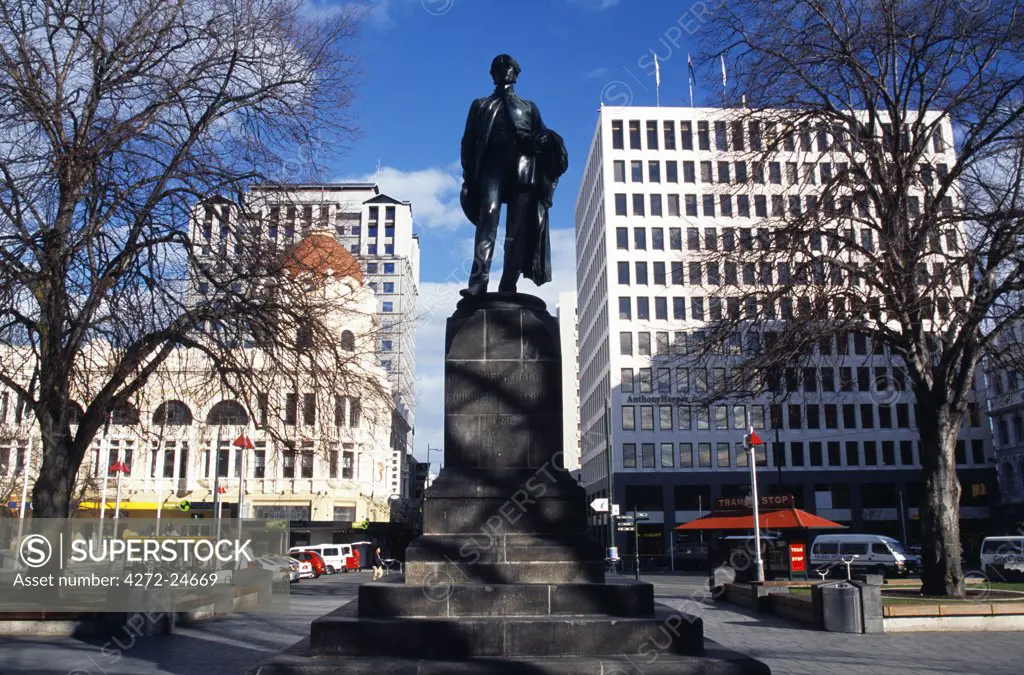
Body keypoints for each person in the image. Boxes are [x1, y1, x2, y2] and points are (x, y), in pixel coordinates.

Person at [459, 54, 568, 297]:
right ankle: (478, 283)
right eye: (499, 66)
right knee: (487, 223)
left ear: (516, 73)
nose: (505, 70)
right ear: (492, 73)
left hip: (523, 170)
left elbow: (543, 137)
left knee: (517, 229)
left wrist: (544, 140)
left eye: (509, 66)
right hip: (492, 169)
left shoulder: (529, 107)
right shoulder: (480, 105)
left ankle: (509, 284)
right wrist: (469, 175)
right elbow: (468, 141)